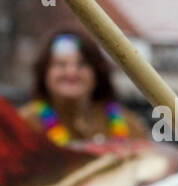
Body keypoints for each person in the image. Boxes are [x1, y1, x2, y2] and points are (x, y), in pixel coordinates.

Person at [20, 29, 148, 145]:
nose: (71, 72)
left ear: (97, 73)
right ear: (44, 73)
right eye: (60, 64)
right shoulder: (23, 124)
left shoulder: (129, 125)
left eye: (82, 64)